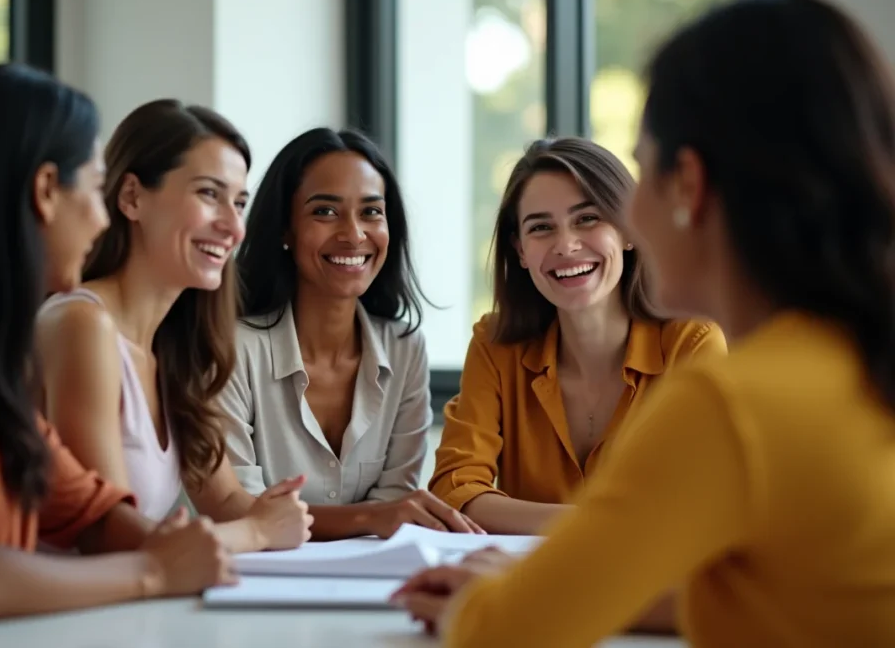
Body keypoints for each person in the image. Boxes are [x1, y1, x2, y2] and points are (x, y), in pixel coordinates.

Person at [392, 0, 895, 647]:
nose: (631, 214)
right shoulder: (853, 362)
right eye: (541, 227)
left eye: (642, 165)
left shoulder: (730, 401)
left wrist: (505, 590)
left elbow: (502, 632)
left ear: (688, 183)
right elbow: (775, 599)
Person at [0, 65, 235, 639]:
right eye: (93, 188)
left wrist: (182, 551)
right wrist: (157, 570)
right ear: (45, 190)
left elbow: (94, 517)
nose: (102, 218)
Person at [36, 100, 312, 553]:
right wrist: (259, 531)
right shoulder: (80, 324)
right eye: (209, 194)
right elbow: (108, 536)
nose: (234, 227)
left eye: (239, 203)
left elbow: (224, 499)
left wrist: (278, 514)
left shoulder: (176, 348)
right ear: (132, 197)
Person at [429, 137, 726, 535]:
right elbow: (454, 491)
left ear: (628, 228)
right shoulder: (494, 345)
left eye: (587, 218)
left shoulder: (691, 344)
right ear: (521, 250)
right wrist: (604, 525)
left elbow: (703, 502)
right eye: (541, 227)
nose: (566, 246)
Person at [219, 128, 482, 540]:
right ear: (285, 228)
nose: (354, 234)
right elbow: (237, 508)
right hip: (252, 572)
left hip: (371, 572)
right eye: (325, 211)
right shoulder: (232, 348)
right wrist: (368, 518)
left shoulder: (405, 349)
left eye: (371, 212)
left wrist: (380, 516)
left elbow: (396, 497)